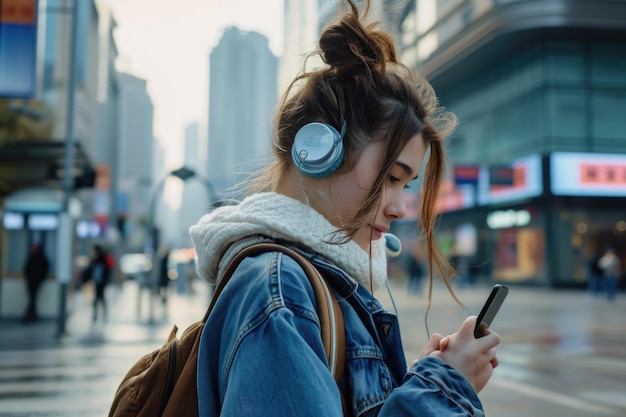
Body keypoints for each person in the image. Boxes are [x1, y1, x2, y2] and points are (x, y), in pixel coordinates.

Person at [189, 2, 500, 415]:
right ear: (319, 151)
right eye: (392, 177)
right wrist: (443, 390)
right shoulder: (280, 291)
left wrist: (422, 380)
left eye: (407, 185)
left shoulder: (309, 282)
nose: (400, 208)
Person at [22, 243, 49, 322]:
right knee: (32, 298)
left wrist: (40, 277)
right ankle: (32, 315)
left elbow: (45, 268)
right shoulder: (31, 257)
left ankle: (30, 315)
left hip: (36, 281)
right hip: (30, 281)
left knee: (33, 298)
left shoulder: (41, 258)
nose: (32, 249)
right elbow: (27, 269)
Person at [84, 245, 111, 322]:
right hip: (96, 282)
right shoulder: (94, 260)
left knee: (100, 298)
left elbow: (107, 272)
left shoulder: (103, 260)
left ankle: (102, 314)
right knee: (97, 299)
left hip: (101, 282)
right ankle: (96, 314)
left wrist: (105, 280)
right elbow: (89, 271)